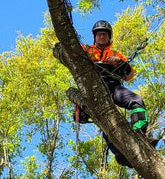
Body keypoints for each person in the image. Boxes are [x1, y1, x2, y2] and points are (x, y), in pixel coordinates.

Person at [53, 20, 150, 167]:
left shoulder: (116, 54)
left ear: (109, 37)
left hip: (113, 86)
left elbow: (129, 75)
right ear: (94, 37)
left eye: (104, 34)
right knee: (108, 124)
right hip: (93, 89)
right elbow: (68, 51)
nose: (101, 37)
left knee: (137, 101)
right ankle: (120, 152)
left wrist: (118, 62)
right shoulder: (85, 50)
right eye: (99, 34)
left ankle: (139, 133)